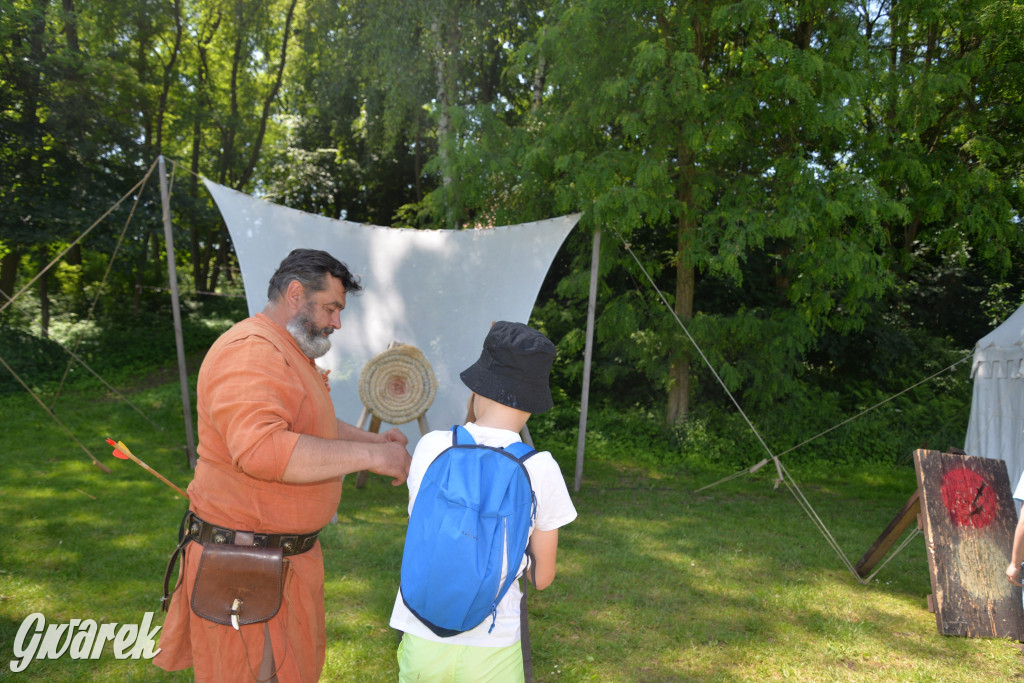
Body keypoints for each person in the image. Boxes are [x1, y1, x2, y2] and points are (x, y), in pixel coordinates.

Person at [154, 248, 411, 682]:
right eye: (331, 307)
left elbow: (309, 423)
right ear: (295, 294)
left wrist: (372, 439)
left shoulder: (287, 350)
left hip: (274, 564)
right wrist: (374, 457)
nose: (337, 322)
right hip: (246, 570)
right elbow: (262, 449)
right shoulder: (251, 351)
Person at [389, 321, 578, 682]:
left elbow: (422, 522)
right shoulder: (540, 468)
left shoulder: (432, 446)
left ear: (479, 389)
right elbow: (543, 578)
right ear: (534, 401)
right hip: (493, 639)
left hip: (420, 627)